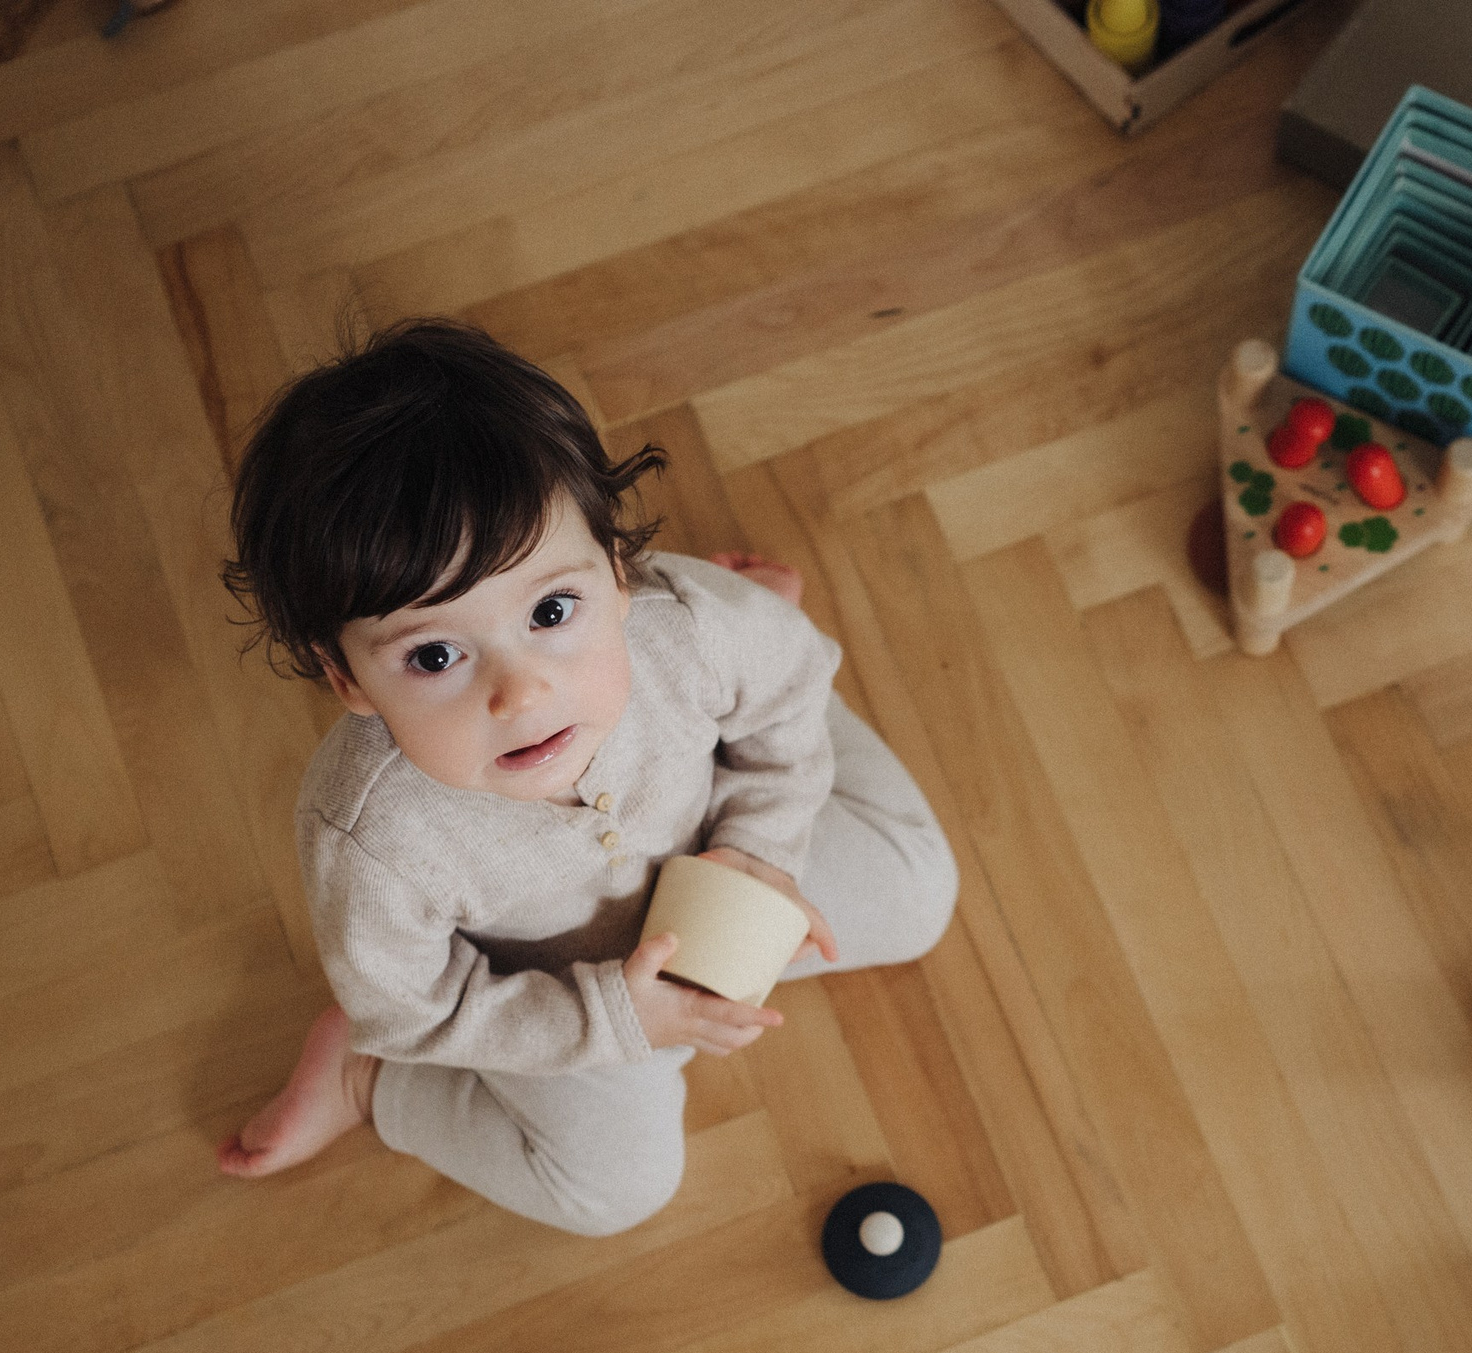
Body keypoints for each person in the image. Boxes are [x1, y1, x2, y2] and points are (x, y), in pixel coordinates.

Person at [214, 320, 957, 1234]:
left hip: (718, 858)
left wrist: (762, 848)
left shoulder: (677, 625)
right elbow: (411, 1010)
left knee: (917, 887)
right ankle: (366, 1086)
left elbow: (794, 689)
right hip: (566, 1001)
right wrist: (613, 1020)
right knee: (612, 1194)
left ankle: (760, 637)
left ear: (617, 570)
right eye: (437, 654)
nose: (522, 691)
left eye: (552, 610)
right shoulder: (370, 839)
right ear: (346, 679)